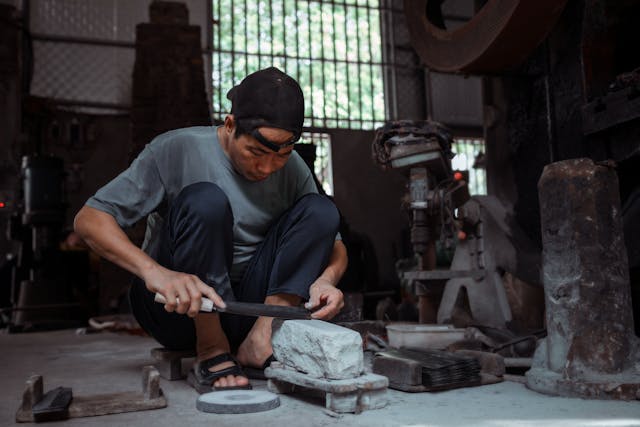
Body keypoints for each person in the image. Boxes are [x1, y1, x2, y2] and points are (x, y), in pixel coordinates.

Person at [74, 67, 347, 392]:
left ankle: (261, 339)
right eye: (256, 153)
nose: (267, 168)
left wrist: (326, 281)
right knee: (205, 201)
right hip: (177, 309)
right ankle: (211, 347)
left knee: (321, 209)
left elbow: (334, 243)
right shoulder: (175, 149)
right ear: (230, 125)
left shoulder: (291, 168)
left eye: (282, 156)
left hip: (249, 310)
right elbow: (89, 219)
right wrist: (156, 272)